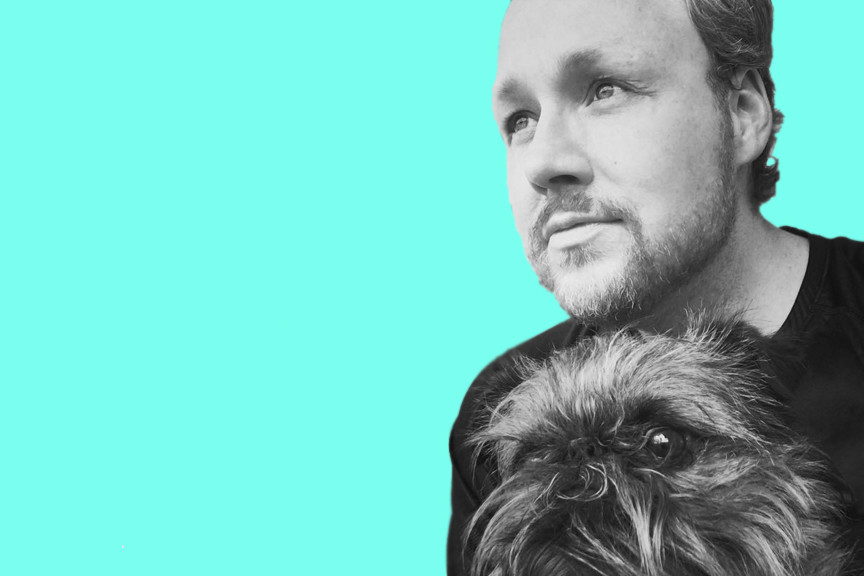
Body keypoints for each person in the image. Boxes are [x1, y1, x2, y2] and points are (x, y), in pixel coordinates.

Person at [447, 0, 864, 574]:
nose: (541, 161)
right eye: (520, 119)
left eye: (605, 89)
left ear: (743, 113)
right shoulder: (492, 408)